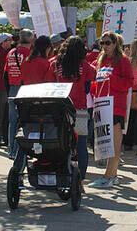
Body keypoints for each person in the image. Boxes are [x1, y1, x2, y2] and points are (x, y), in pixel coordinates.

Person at [47, 36, 95, 182]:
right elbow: (87, 88)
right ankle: (81, 178)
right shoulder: (87, 67)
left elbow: (50, 86)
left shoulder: (54, 64)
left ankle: (61, 173)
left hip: (59, 109)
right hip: (79, 109)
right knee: (81, 144)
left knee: (60, 143)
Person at [88, 32, 133, 188]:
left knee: (114, 143)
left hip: (115, 106)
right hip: (101, 105)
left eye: (108, 43)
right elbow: (95, 82)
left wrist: (112, 79)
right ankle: (110, 176)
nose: (104, 46)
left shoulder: (123, 61)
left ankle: (109, 176)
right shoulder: (100, 60)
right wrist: (95, 90)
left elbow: (128, 82)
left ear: (115, 44)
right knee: (105, 143)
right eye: (102, 43)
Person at [5, 29, 34, 158]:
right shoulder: (29, 54)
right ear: (31, 40)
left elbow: (5, 73)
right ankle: (19, 151)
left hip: (12, 88)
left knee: (12, 121)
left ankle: (11, 150)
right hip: (24, 89)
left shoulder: (11, 53)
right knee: (23, 121)